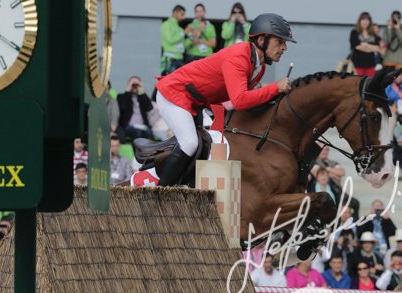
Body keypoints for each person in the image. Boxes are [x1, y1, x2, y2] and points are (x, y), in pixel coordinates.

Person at [154, 13, 295, 186]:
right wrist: (275, 88)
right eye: (279, 42)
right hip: (174, 93)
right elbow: (240, 100)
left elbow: (247, 100)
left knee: (214, 145)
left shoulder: (260, 67)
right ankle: (159, 192)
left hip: (198, 103)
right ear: (261, 40)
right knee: (189, 143)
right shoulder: (239, 57)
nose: (284, 48)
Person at [116, 76, 154, 142]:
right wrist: (128, 90)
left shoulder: (141, 97)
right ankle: (138, 148)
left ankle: (143, 148)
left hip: (142, 126)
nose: (135, 86)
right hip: (128, 126)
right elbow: (122, 106)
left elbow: (149, 107)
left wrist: (142, 92)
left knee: (148, 132)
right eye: (133, 84)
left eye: (137, 84)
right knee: (137, 132)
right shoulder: (121, 96)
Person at [350, 12, 381, 77]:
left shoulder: (373, 34)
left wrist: (365, 45)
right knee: (359, 82)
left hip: (371, 65)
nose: (365, 22)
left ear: (370, 22)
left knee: (370, 83)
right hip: (358, 65)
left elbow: (378, 48)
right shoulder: (354, 32)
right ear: (360, 21)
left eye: (367, 20)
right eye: (363, 19)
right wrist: (371, 48)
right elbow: (357, 47)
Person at [160, 5, 186, 74]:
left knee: (180, 80)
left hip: (179, 59)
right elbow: (170, 40)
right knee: (169, 79)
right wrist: (184, 33)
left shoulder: (180, 29)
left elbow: (184, 45)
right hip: (170, 58)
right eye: (182, 14)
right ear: (175, 12)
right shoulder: (166, 24)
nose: (184, 17)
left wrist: (193, 38)